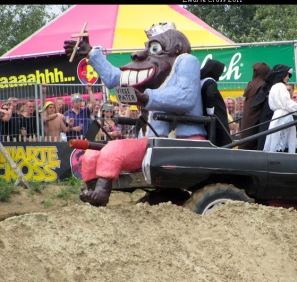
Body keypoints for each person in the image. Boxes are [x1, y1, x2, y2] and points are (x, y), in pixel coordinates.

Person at [63, 21, 207, 206]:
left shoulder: (185, 61)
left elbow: (185, 97)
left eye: (155, 47)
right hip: (153, 140)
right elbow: (116, 78)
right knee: (91, 155)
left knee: (114, 150)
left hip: (178, 140)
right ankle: (92, 192)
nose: (140, 54)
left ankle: (101, 193)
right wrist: (91, 53)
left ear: (176, 48)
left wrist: (146, 98)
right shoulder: (153, 69)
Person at [263, 64, 297, 153]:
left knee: (275, 138)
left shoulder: (273, 87)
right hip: (283, 116)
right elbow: (287, 103)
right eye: (287, 75)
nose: (288, 77)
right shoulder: (281, 86)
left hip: (277, 116)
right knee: (282, 139)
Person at [238, 62, 270, 150]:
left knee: (247, 139)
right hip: (255, 118)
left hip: (248, 117)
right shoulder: (262, 85)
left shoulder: (252, 84)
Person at [200, 58, 232, 146]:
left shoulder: (201, 81)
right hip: (218, 117)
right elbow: (210, 95)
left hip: (211, 118)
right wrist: (210, 111)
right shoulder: (211, 82)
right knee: (224, 141)